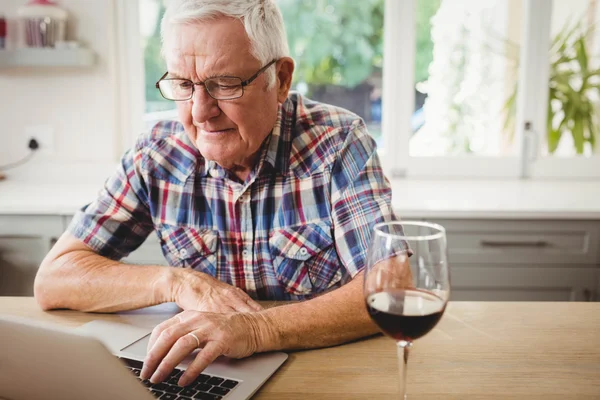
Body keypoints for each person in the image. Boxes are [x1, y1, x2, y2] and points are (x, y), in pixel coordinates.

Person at [34, 0, 403, 387]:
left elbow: (390, 290)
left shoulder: (338, 141)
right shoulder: (157, 153)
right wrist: (175, 282)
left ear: (280, 79)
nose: (199, 111)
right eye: (183, 84)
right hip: (203, 373)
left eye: (224, 84)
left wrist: (257, 330)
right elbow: (54, 279)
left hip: (325, 377)